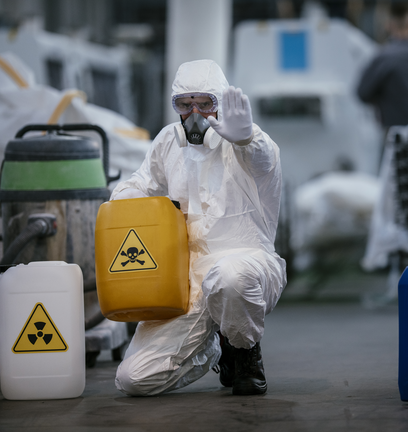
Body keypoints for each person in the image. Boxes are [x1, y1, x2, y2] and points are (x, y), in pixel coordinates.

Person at [111, 59, 287, 396]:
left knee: (230, 278)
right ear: (174, 106)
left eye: (205, 103)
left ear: (220, 104)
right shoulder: (168, 142)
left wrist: (247, 137)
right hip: (186, 279)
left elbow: (266, 161)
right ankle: (213, 348)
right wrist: (122, 199)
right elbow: (140, 184)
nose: (195, 113)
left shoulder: (246, 146)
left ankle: (244, 350)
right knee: (134, 379)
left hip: (247, 263)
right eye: (185, 104)